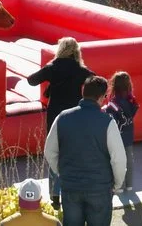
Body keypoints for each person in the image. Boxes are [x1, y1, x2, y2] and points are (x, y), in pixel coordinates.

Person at [44, 75, 126, 226]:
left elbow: (49, 151)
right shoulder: (108, 122)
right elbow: (119, 159)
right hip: (100, 187)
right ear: (102, 97)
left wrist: (62, 171)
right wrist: (117, 183)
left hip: (71, 186)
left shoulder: (62, 117)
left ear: (83, 92)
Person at [27, 37, 94, 210]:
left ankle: (55, 195)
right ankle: (73, 191)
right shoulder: (81, 70)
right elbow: (95, 81)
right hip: (75, 116)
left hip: (55, 116)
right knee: (74, 153)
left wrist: (51, 72)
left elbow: (31, 80)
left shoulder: (53, 67)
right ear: (76, 51)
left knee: (54, 154)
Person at [104, 71, 139, 192]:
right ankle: (129, 184)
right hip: (129, 131)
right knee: (129, 158)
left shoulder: (114, 102)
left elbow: (109, 116)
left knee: (117, 159)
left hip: (117, 134)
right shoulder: (132, 101)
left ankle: (119, 184)